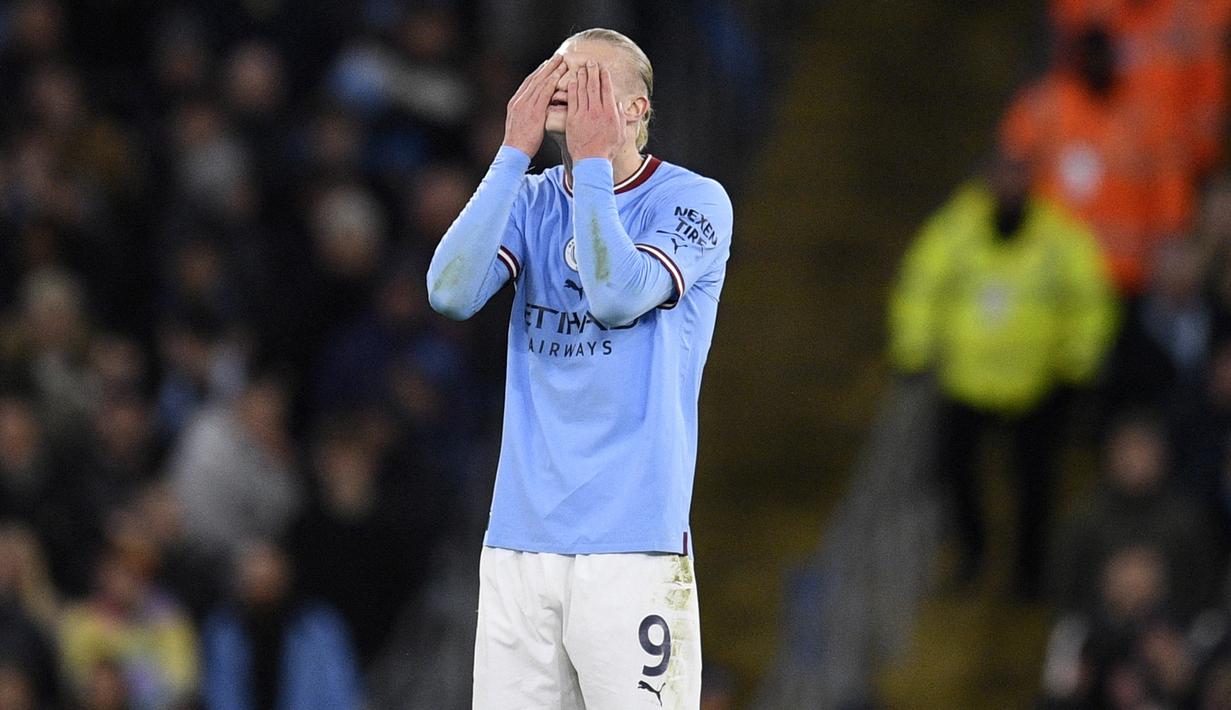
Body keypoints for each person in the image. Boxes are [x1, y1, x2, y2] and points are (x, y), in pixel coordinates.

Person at [426, 27, 733, 710]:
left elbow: (617, 294)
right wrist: (510, 154)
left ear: (634, 109)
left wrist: (591, 168)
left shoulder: (692, 202)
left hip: (632, 547)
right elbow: (449, 292)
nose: (567, 86)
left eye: (590, 80)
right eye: (559, 73)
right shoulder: (533, 200)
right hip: (518, 545)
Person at [889, 153, 1117, 599]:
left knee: (1036, 484)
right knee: (953, 472)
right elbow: (919, 285)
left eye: (1018, 173)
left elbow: (1090, 297)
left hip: (1037, 386)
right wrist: (913, 349)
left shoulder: (1059, 234)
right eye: (1001, 172)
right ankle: (972, 553)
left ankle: (1029, 574)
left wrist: (1079, 362)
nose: (1009, 183)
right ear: (986, 177)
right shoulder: (956, 227)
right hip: (966, 384)